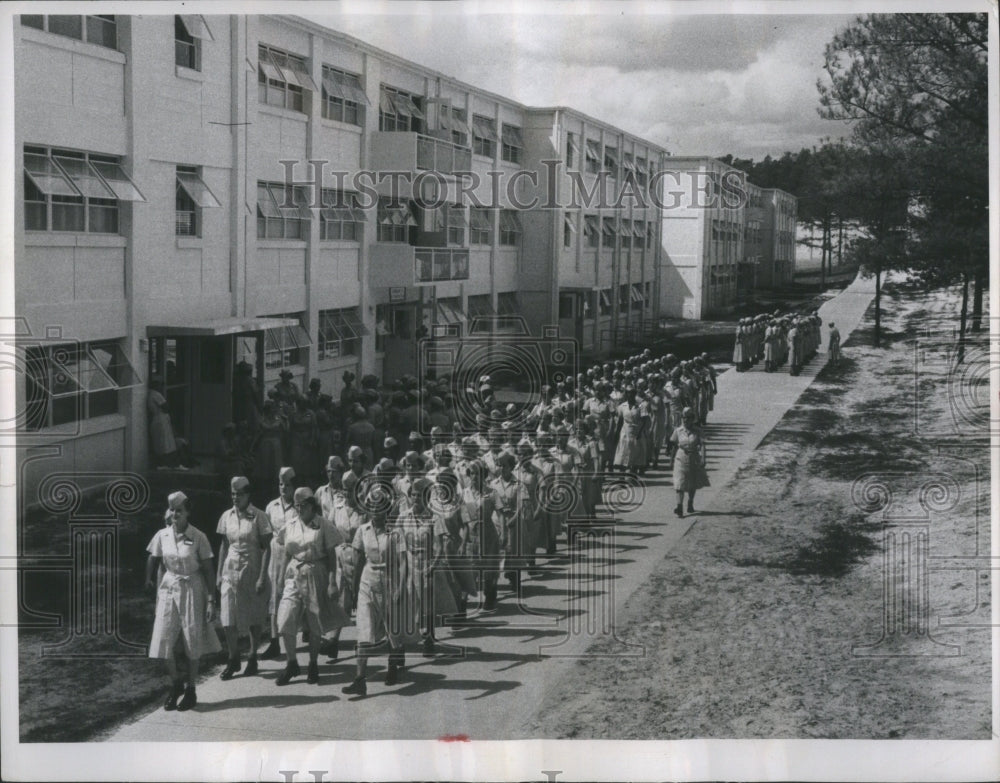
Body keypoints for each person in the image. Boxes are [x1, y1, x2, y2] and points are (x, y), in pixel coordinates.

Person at [145, 491, 221, 711]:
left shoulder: (198, 537)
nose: (175, 514)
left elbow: (207, 570)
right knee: (163, 640)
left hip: (192, 589)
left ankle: (191, 689)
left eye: (179, 510)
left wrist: (210, 600)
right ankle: (176, 683)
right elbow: (157, 562)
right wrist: (157, 592)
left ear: (188, 512)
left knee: (192, 639)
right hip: (169, 589)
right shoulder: (162, 535)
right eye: (172, 510)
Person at [273, 487, 349, 685]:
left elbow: (332, 555)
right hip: (294, 574)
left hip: (316, 573)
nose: (299, 509)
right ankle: (292, 663)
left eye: (304, 505)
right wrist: (281, 578)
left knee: (314, 622)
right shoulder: (290, 525)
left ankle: (313, 664)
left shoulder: (324, 525)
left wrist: (332, 582)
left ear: (313, 506)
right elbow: (286, 553)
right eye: (297, 505)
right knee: (284, 620)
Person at [342, 492, 413, 697]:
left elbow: (402, 562)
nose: (375, 511)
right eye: (372, 507)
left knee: (391, 628)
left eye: (379, 506)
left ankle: (392, 665)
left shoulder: (395, 532)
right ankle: (359, 679)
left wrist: (400, 586)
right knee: (364, 630)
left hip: (389, 580)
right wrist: (353, 588)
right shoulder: (362, 531)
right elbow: (357, 561)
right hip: (367, 580)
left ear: (386, 509)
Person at [216, 476, 272, 680]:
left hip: (252, 568)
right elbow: (224, 544)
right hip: (230, 569)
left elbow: (267, 547)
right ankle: (233, 659)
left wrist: (262, 577)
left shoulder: (259, 516)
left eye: (239, 494)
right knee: (227, 617)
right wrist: (219, 574)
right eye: (232, 494)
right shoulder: (226, 516)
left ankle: (252, 656)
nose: (235, 498)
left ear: (248, 494)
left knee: (253, 616)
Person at [261, 467, 298, 660]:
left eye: (288, 484)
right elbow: (267, 533)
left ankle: (300, 633)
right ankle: (274, 641)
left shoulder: (298, 506)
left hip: (293, 552)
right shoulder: (271, 506)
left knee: (293, 595)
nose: (284, 488)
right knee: (274, 596)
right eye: (281, 484)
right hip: (275, 552)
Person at [669, 408, 709, 518]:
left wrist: (703, 458)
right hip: (680, 458)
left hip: (693, 458)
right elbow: (673, 446)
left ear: (692, 419)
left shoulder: (698, 431)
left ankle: (690, 501)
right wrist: (671, 460)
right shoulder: (678, 431)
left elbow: (702, 445)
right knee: (679, 483)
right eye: (684, 418)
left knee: (692, 483)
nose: (685, 420)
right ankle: (679, 507)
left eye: (688, 418)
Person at [148, 382, 186, 470]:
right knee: (167, 444)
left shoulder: (149, 394)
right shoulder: (156, 394)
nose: (161, 387)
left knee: (161, 443)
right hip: (161, 419)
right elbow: (166, 406)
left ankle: (163, 464)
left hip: (156, 420)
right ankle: (172, 464)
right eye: (160, 385)